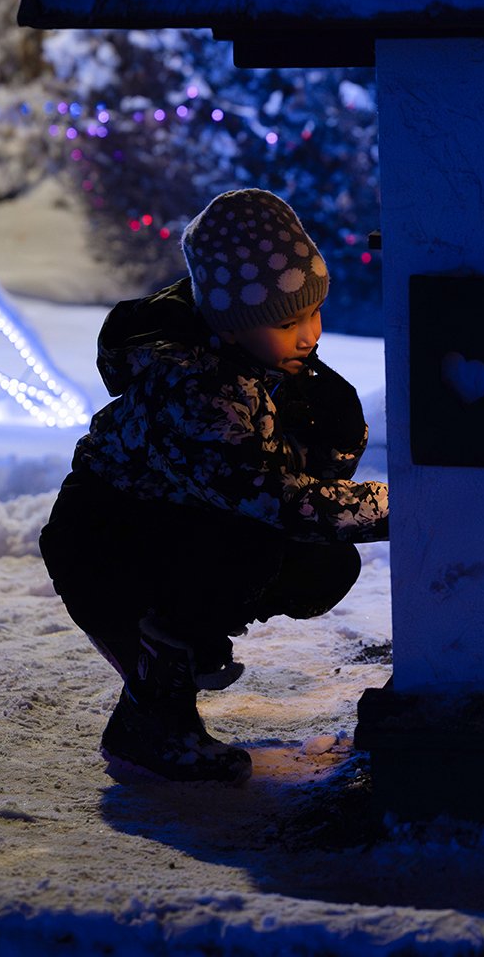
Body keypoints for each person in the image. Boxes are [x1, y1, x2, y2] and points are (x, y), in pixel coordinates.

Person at [39, 188, 388, 784]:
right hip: (105, 546)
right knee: (255, 547)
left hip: (168, 524)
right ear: (232, 322)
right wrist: (406, 506)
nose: (309, 335)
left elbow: (294, 481)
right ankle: (159, 701)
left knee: (318, 562)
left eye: (313, 312)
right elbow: (277, 499)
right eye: (287, 321)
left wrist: (330, 441)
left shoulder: (260, 362)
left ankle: (177, 644)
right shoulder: (198, 391)